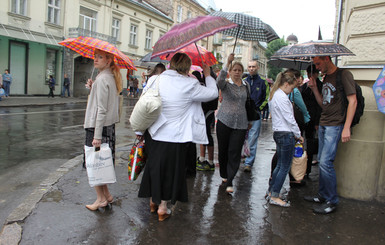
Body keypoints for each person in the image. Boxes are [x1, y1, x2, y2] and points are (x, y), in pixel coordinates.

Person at [137, 53, 218, 221]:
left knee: (154, 166)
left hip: (154, 132)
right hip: (176, 136)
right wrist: (208, 75)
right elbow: (212, 93)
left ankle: (153, 201)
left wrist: (139, 132)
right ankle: (163, 207)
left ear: (171, 64)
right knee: (171, 171)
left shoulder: (155, 80)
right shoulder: (189, 83)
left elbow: (143, 102)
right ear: (188, 67)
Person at [304, 56, 357, 214]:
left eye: (318, 63)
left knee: (326, 162)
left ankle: (332, 201)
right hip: (324, 122)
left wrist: (346, 127)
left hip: (335, 124)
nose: (317, 67)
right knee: (321, 161)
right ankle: (322, 195)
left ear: (327, 59)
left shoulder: (344, 74)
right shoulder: (326, 77)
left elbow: (352, 101)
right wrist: (314, 88)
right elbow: (323, 104)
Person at [83, 48, 122, 211]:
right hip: (108, 127)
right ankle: (107, 195)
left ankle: (100, 199)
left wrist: (97, 136)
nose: (95, 59)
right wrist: (93, 87)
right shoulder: (110, 78)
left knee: (95, 164)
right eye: (95, 57)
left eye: (100, 57)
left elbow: (100, 109)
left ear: (108, 61)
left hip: (97, 127)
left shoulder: (101, 80)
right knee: (103, 163)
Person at [267, 70, 304, 207]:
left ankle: (272, 191)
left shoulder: (275, 95)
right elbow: (290, 119)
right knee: (284, 166)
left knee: (280, 165)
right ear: (287, 84)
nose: (292, 90)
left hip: (279, 132)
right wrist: (298, 135)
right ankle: (275, 195)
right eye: (292, 87)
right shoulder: (282, 97)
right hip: (286, 133)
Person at [216, 54, 249, 193]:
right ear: (230, 71)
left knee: (234, 152)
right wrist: (227, 63)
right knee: (223, 151)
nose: (237, 72)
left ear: (242, 72)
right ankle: (224, 174)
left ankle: (230, 181)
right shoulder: (226, 85)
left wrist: (250, 121)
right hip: (224, 121)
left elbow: (248, 104)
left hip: (241, 124)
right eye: (234, 70)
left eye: (239, 70)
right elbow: (218, 82)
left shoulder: (246, 86)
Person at [243, 60, 269, 172]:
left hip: (255, 114)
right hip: (243, 113)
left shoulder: (263, 82)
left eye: (253, 66)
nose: (251, 68)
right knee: (242, 137)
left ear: (257, 67)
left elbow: (267, 97)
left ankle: (249, 162)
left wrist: (259, 108)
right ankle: (243, 155)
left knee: (253, 137)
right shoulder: (244, 81)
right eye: (249, 67)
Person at [193, 68, 218, 171]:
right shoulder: (202, 78)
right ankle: (202, 158)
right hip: (204, 110)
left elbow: (211, 95)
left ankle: (210, 161)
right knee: (202, 133)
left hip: (208, 111)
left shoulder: (211, 79)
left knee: (206, 134)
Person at [301, 65, 323, 176]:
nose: (309, 75)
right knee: (301, 143)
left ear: (316, 74)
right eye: (308, 73)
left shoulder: (320, 86)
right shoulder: (304, 86)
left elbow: (320, 106)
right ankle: (300, 167)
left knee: (310, 144)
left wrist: (317, 122)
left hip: (313, 118)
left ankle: (307, 169)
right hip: (304, 118)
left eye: (311, 73)